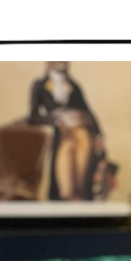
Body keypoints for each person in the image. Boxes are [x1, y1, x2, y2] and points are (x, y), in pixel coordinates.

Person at [28, 61, 111, 200]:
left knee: (82, 174)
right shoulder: (40, 85)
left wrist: (99, 134)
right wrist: (55, 121)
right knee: (64, 181)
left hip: (82, 131)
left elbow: (88, 111)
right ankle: (65, 196)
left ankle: (80, 196)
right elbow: (33, 116)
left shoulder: (74, 86)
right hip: (63, 134)